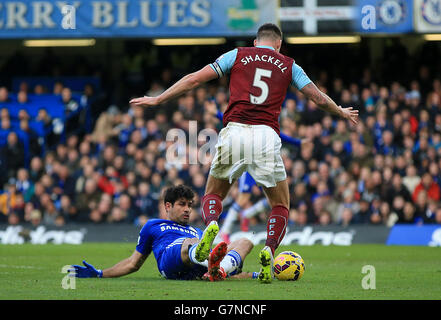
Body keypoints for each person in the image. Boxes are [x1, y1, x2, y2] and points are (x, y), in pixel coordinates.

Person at [130, 23, 359, 283]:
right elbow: (317, 98)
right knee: (280, 204)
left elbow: (194, 78)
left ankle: (211, 228)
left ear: (255, 41)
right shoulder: (289, 65)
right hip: (266, 135)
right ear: (279, 44)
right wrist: (339, 111)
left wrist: (159, 98)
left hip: (234, 130)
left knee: (214, 193)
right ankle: (269, 251)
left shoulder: (237, 55)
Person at [70, 185, 255, 281]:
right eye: (182, 204)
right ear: (168, 206)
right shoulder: (154, 225)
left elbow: (213, 255)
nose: (187, 210)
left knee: (245, 241)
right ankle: (206, 258)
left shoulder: (196, 230)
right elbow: (133, 263)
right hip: (171, 260)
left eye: (190, 205)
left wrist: (253, 275)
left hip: (197, 268)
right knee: (190, 243)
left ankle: (220, 270)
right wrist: (101, 273)